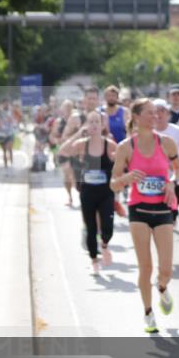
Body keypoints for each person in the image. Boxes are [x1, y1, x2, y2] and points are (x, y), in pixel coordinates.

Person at [111, 99, 179, 333]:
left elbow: (178, 170)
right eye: (150, 113)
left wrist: (172, 183)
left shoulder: (167, 143)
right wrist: (126, 178)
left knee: (166, 270)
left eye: (157, 113)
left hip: (163, 209)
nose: (156, 117)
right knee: (146, 266)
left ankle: (162, 288)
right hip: (139, 210)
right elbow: (113, 184)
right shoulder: (126, 147)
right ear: (137, 116)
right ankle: (148, 313)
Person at [59, 111, 118, 274]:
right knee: (90, 228)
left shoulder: (110, 144)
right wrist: (78, 132)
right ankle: (94, 261)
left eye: (96, 122)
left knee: (107, 226)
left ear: (102, 125)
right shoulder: (81, 144)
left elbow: (124, 161)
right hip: (88, 193)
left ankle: (104, 245)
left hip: (106, 193)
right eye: (90, 122)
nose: (93, 125)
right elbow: (62, 151)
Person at [153, 99, 179, 231]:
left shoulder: (177, 131)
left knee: (170, 216)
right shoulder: (146, 131)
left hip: (172, 179)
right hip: (152, 179)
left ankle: (176, 218)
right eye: (156, 111)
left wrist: (178, 162)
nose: (159, 115)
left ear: (168, 114)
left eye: (162, 111)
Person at [50, 100, 78, 206]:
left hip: (76, 151)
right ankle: (70, 197)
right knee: (67, 174)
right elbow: (52, 136)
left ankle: (80, 194)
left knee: (74, 176)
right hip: (63, 151)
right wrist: (58, 141)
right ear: (62, 110)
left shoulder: (77, 120)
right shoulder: (58, 122)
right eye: (65, 108)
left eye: (70, 108)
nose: (68, 111)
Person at [0, 102, 17, 169]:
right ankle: (5, 165)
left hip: (9, 133)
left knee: (10, 148)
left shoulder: (9, 113)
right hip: (1, 134)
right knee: (4, 150)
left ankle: (11, 164)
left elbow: (14, 120)